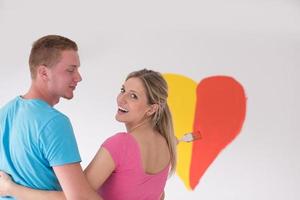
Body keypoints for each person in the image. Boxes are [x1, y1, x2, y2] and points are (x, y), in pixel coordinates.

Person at [0, 69, 177, 200]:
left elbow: (74, 197)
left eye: (133, 96)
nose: (121, 99)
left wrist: (10, 189)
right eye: (123, 90)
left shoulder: (121, 144)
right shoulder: (167, 144)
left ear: (152, 109)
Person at [0, 35, 102, 200]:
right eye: (70, 70)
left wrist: (11, 189)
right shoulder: (54, 122)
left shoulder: (4, 113)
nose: (79, 77)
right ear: (43, 73)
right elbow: (79, 198)